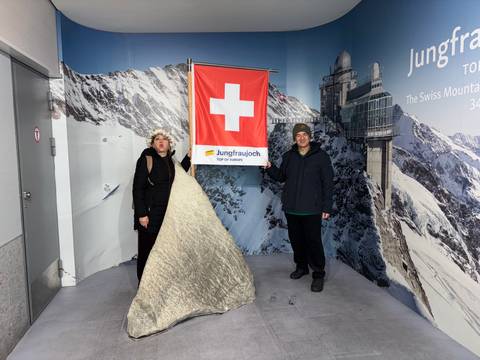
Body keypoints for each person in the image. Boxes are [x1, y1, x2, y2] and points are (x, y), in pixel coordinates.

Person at [264, 123, 334, 292]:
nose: (301, 138)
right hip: (292, 208)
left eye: (304, 134)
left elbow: (328, 184)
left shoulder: (321, 157)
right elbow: (281, 177)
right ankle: (301, 267)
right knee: (296, 240)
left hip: (312, 208)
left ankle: (318, 274)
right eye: (298, 135)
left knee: (314, 241)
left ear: (309, 136)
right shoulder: (289, 156)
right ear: (294, 138)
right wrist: (269, 167)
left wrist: (327, 207)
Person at [132, 129, 191, 282]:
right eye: (157, 138)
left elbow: (179, 175)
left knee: (163, 249)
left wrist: (189, 157)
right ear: (152, 143)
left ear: (169, 144)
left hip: (167, 213)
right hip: (150, 214)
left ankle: (159, 284)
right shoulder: (146, 159)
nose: (161, 141)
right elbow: (137, 188)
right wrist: (142, 214)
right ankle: (144, 286)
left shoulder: (171, 161)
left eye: (164, 139)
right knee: (146, 251)